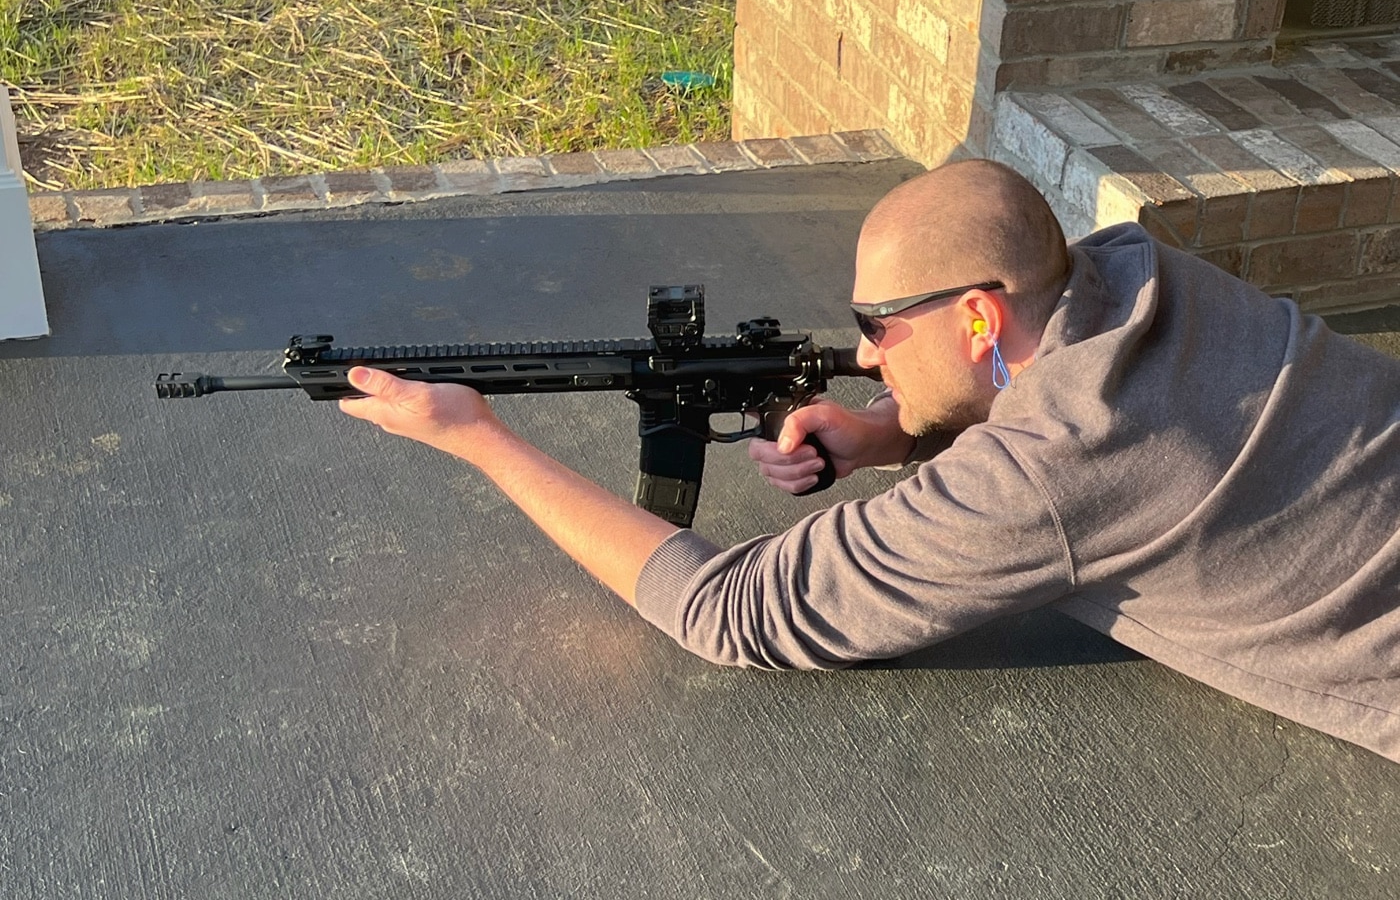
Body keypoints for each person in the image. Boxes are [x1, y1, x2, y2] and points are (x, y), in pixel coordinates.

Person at [339, 159, 1400, 763]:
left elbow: (728, 610)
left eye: (879, 323)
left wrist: (476, 436)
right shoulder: (1131, 269)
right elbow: (1046, 408)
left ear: (979, 316)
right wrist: (895, 430)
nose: (862, 353)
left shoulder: (1042, 474)